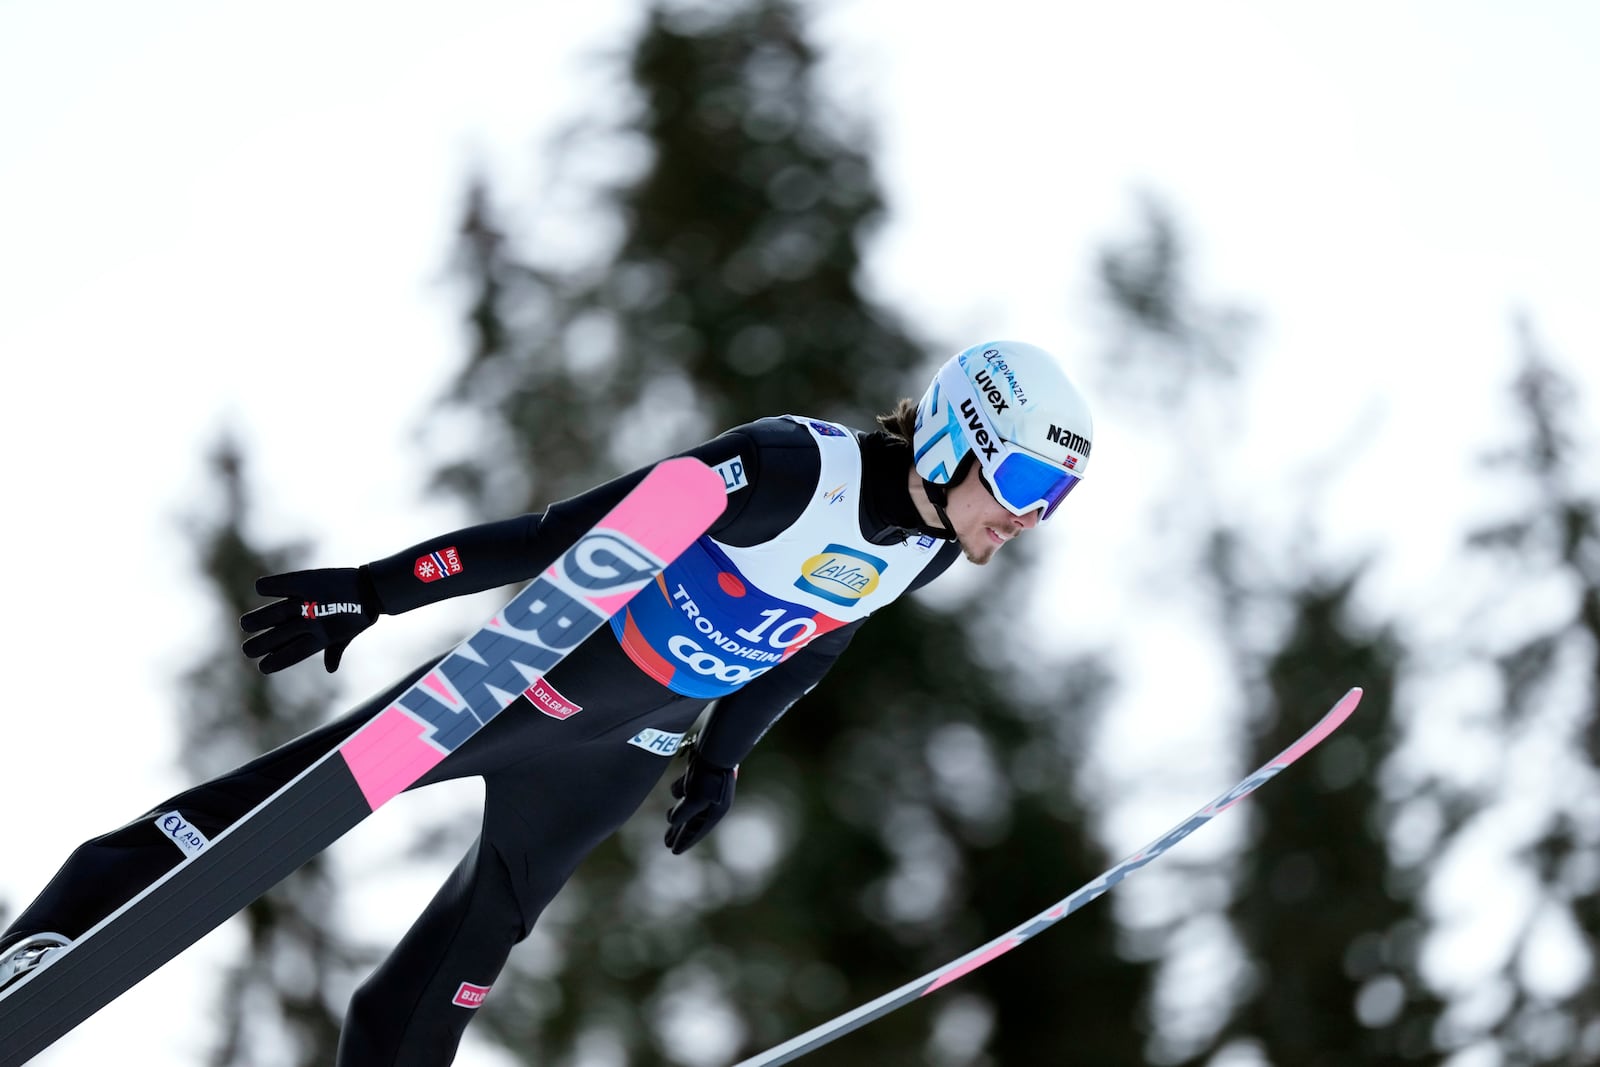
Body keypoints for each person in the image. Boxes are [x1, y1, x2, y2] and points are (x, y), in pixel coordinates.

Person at [0, 340, 1094, 1064]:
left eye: (1053, 504)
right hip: (532, 685)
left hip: (620, 750)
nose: (1028, 522)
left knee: (464, 957)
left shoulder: (924, 552)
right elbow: (558, 533)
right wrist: (377, 591)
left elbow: (804, 652)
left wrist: (720, 759)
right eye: (1029, 490)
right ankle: (50, 940)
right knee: (276, 803)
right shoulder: (780, 470)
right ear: (958, 439)